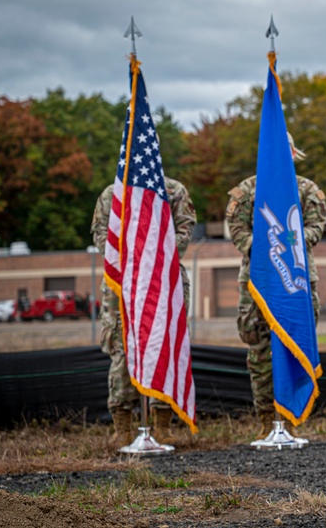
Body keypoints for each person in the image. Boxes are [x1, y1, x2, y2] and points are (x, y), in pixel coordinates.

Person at [225, 135, 326, 439]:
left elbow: (315, 227)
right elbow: (237, 229)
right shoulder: (247, 191)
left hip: (296, 281)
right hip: (258, 282)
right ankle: (265, 422)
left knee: (295, 346)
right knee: (259, 351)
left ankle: (291, 419)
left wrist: (286, 246)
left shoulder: (307, 190)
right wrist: (264, 251)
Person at [91, 178, 196, 449]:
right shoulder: (112, 192)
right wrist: (130, 260)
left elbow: (184, 229)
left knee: (164, 348)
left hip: (164, 279)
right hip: (121, 282)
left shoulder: (173, 191)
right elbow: (101, 234)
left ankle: (162, 425)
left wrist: (158, 258)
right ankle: (123, 428)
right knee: (121, 351)